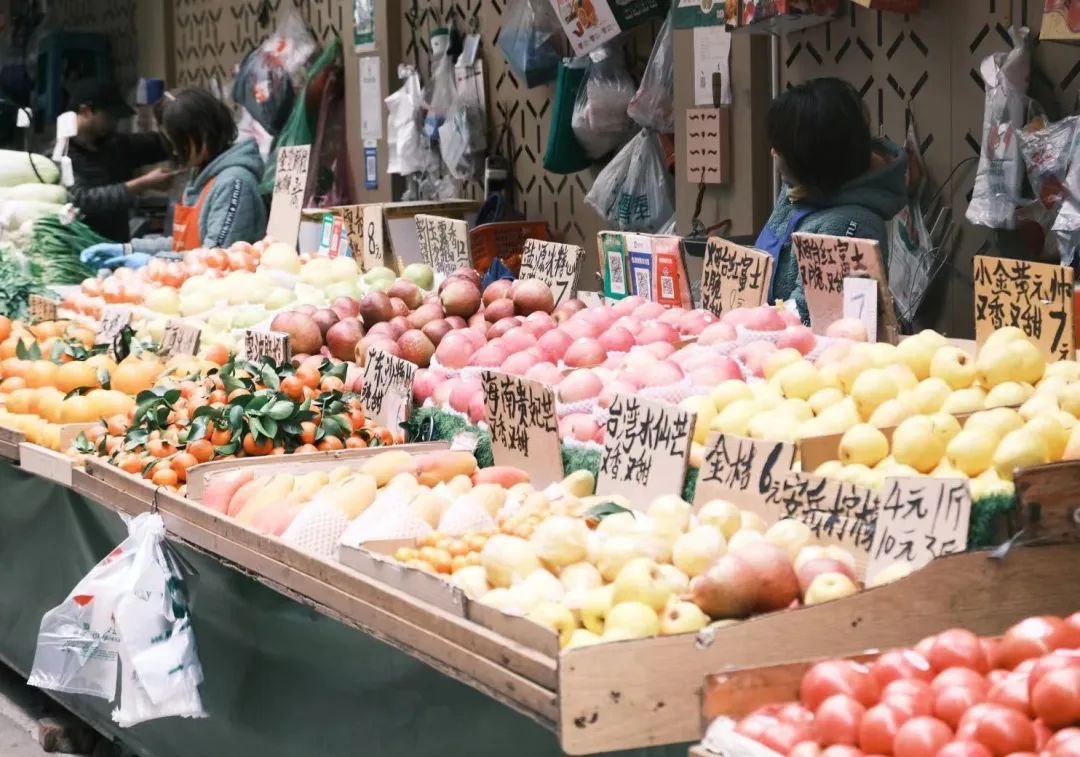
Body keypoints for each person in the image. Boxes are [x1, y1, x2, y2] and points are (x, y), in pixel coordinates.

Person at [756, 77, 907, 324]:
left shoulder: (852, 227)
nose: (772, 152)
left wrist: (746, 322)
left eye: (781, 148)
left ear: (809, 156)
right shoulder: (798, 189)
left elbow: (809, 315)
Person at [81, 88, 267, 269]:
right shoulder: (202, 176)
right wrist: (128, 249)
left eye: (179, 143)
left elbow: (215, 258)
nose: (176, 151)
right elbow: (183, 243)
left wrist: (152, 263)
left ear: (203, 134)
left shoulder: (234, 183)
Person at [65, 78, 176, 242]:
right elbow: (81, 200)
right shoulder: (61, 154)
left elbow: (156, 144)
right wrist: (143, 183)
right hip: (82, 248)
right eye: (109, 116)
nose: (114, 122)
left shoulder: (112, 145)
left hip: (118, 246)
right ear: (86, 111)